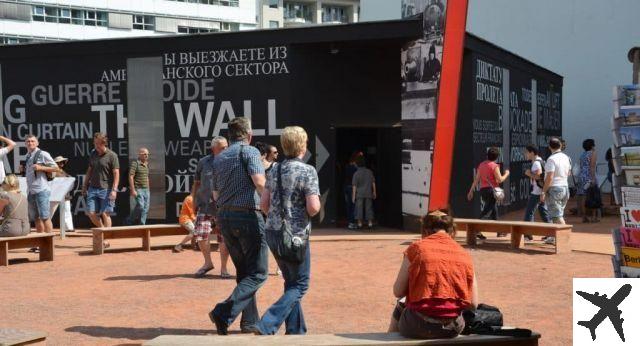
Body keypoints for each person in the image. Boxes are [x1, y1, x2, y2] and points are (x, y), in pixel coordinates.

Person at [249, 126, 321, 335]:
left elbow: (264, 204)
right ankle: (267, 324)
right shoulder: (308, 171)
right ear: (302, 145)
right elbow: (313, 207)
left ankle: (296, 330)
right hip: (296, 235)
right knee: (300, 284)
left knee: (291, 282)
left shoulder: (275, 169)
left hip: (273, 232)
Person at [210, 117, 268, 335]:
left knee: (244, 272)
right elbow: (260, 183)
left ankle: (249, 322)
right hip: (247, 217)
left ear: (230, 135)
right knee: (259, 273)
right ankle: (223, 312)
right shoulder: (250, 152)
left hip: (225, 217)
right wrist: (271, 210)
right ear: (249, 135)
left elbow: (215, 194)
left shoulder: (219, 157)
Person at [389, 209, 478, 339]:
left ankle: (389, 341)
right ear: (452, 231)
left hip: (417, 325)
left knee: (400, 305)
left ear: (425, 230)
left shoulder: (416, 248)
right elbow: (473, 304)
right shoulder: (464, 253)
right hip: (453, 327)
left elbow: (398, 291)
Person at [191, 136, 231, 278]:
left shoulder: (231, 162)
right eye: (222, 147)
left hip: (224, 206)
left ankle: (224, 269)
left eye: (227, 146)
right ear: (214, 148)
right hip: (205, 204)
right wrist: (193, 200)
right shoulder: (203, 162)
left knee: (224, 238)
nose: (226, 149)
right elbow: (196, 183)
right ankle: (208, 263)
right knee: (201, 235)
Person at [466, 147, 510, 239]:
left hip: (483, 191)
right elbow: (500, 179)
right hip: (491, 191)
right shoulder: (494, 166)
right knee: (487, 211)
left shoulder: (481, 165)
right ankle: (476, 229)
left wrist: (471, 191)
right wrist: (506, 173)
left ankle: (499, 231)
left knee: (494, 211)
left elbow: (477, 179)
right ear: (497, 157)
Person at [81, 132, 120, 230]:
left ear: (104, 143)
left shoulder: (112, 155)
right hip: (92, 188)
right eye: (95, 143)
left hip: (106, 189)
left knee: (105, 213)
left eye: (98, 143)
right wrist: (85, 186)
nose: (96, 146)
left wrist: (114, 190)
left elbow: (116, 173)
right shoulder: (93, 153)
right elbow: (89, 170)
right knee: (91, 213)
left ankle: (106, 237)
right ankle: (103, 230)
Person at [540, 137, 572, 245]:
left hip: (554, 189)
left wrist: (543, 191)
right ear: (560, 146)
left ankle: (565, 240)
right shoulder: (566, 157)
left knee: (557, 216)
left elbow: (549, 177)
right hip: (565, 188)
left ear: (549, 147)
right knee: (556, 214)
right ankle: (554, 237)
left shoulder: (551, 159)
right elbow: (568, 173)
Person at [24, 135, 57, 233]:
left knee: (45, 217)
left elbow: (56, 168)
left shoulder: (43, 154)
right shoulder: (28, 155)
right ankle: (39, 244)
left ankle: (49, 243)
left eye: (33, 141)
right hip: (31, 190)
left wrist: (41, 168)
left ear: (37, 143)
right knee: (36, 218)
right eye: (28, 141)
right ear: (25, 143)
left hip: (41, 189)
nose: (30, 143)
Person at [523, 145, 550, 239]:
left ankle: (528, 234)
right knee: (543, 212)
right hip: (540, 191)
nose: (525, 154)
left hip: (537, 192)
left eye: (527, 152)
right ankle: (550, 233)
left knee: (529, 213)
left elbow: (538, 176)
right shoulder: (541, 161)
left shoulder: (536, 163)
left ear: (532, 153)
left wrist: (528, 173)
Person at [126, 148, 150, 225]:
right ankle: (129, 220)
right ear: (140, 154)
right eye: (144, 154)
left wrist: (148, 189)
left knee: (145, 209)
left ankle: (142, 225)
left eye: (147, 154)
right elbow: (131, 176)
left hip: (146, 190)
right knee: (141, 206)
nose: (146, 155)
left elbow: (147, 177)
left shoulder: (146, 164)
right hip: (138, 189)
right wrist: (133, 190)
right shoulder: (135, 163)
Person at [577, 139, 599, 223]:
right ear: (592, 146)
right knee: (593, 195)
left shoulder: (583, 154)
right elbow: (592, 166)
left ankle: (584, 217)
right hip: (589, 176)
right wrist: (593, 178)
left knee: (583, 196)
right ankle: (593, 217)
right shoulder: (593, 153)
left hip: (582, 176)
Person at [352, 157, 376, 229]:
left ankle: (360, 223)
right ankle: (370, 223)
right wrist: (374, 192)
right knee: (369, 208)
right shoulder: (369, 172)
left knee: (359, 208)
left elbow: (354, 186)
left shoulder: (356, 173)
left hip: (359, 194)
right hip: (368, 192)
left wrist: (353, 196)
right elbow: (373, 182)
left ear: (358, 164)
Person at [51, 156, 74, 232]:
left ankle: (69, 228)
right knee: (51, 212)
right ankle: (45, 225)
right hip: (55, 195)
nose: (61, 164)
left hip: (65, 195)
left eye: (62, 162)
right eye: (60, 162)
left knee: (67, 211)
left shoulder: (63, 172)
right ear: (56, 163)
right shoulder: (53, 171)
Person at [344, 152, 361, 230]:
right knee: (354, 205)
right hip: (352, 187)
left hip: (346, 187)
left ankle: (350, 222)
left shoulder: (347, 167)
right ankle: (352, 222)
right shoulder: (355, 168)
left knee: (348, 205)